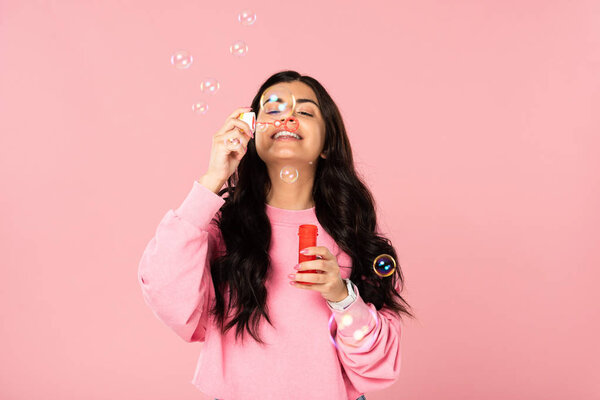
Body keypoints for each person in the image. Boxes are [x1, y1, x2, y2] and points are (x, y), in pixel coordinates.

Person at [137, 70, 415, 400]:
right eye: (273, 110)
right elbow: (163, 289)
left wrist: (342, 296)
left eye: (305, 112)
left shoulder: (356, 241)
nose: (287, 118)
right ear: (252, 136)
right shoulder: (222, 230)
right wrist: (212, 179)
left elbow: (378, 366)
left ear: (327, 144)